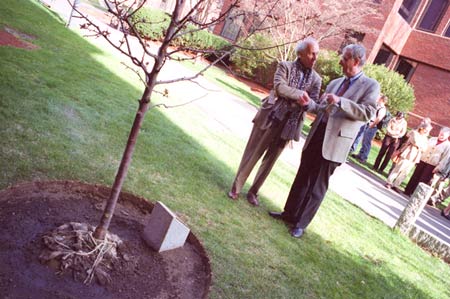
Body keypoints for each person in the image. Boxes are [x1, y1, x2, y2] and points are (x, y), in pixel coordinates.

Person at [268, 44, 379, 238]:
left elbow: (368, 113)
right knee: (302, 177)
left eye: (344, 58)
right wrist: (307, 104)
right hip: (317, 134)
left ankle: (300, 224)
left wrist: (340, 101)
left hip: (336, 143)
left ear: (356, 61)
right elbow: (320, 108)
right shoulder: (335, 83)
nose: (340, 61)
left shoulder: (370, 86)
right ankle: (288, 214)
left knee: (317, 185)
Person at [227, 37, 322, 206]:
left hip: (290, 125)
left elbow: (315, 104)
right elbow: (279, 87)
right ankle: (236, 187)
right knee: (253, 152)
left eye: (317, 54)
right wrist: (300, 95)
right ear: (300, 54)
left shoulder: (316, 79)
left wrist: (308, 103)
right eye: (312, 53)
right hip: (271, 117)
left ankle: (253, 192)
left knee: (270, 160)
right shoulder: (285, 66)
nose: (315, 57)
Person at [403, 127, 450, 196]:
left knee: (423, 179)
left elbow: (445, 158)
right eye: (440, 134)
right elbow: (424, 148)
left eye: (443, 135)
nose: (441, 135)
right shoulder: (432, 139)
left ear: (448, 135)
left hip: (432, 165)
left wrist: (438, 167)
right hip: (422, 160)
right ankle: (407, 190)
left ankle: (415, 194)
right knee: (415, 176)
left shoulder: (448, 145)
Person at [384, 124, 429, 192]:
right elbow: (415, 142)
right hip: (408, 153)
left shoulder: (425, 138)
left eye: (427, 130)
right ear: (421, 128)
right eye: (425, 130)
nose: (426, 131)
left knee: (405, 172)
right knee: (398, 168)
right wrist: (420, 146)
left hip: (415, 156)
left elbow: (425, 148)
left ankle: (396, 185)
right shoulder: (414, 133)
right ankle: (389, 182)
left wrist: (420, 146)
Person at [350, 95, 388, 163]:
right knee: (364, 140)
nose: (378, 98)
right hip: (368, 123)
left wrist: (372, 125)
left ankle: (364, 157)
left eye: (379, 97)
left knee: (367, 142)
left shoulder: (382, 109)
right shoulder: (378, 106)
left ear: (382, 99)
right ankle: (360, 155)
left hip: (373, 125)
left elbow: (379, 118)